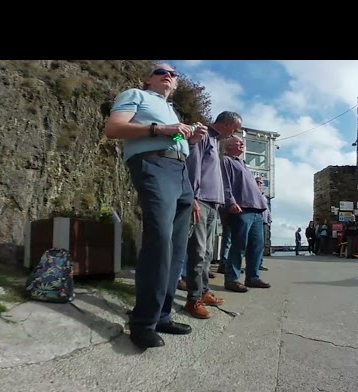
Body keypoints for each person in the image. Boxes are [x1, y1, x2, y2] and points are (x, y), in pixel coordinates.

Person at [105, 62, 208, 349]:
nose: (168, 76)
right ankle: (143, 322)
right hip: (153, 164)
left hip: (180, 170)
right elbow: (114, 128)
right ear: (149, 79)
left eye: (173, 74)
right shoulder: (135, 95)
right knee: (160, 239)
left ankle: (162, 316)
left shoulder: (170, 109)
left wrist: (187, 137)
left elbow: (170, 137)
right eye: (161, 71)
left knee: (176, 246)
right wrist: (164, 128)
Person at [184, 111, 242, 319]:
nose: (235, 132)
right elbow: (193, 165)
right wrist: (193, 197)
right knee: (198, 252)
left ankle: (204, 291)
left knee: (207, 252)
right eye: (235, 128)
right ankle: (193, 299)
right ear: (227, 124)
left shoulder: (216, 141)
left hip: (212, 204)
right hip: (201, 201)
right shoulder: (203, 134)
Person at [221, 135, 270, 292]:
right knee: (239, 244)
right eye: (238, 142)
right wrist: (230, 201)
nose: (242, 144)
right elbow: (225, 183)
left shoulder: (243, 164)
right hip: (241, 208)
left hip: (257, 210)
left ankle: (252, 277)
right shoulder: (226, 161)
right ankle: (232, 279)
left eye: (242, 143)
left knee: (256, 245)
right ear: (228, 146)